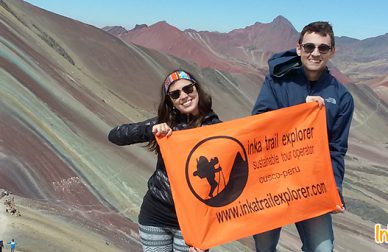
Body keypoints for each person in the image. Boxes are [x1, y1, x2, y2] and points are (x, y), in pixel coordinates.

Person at [251, 21, 354, 252]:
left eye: (323, 48)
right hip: (273, 180)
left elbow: (336, 149)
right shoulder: (277, 81)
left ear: (332, 52)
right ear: (299, 48)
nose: (315, 53)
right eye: (309, 47)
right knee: (264, 245)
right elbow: (259, 123)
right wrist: (300, 111)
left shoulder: (342, 97)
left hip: (312, 184)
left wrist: (335, 189)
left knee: (322, 248)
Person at [108, 70, 220, 252]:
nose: (184, 96)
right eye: (175, 94)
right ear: (171, 102)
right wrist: (152, 129)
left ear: (197, 89)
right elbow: (115, 135)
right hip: (155, 216)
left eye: (188, 89)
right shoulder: (166, 126)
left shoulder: (219, 130)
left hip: (193, 223)